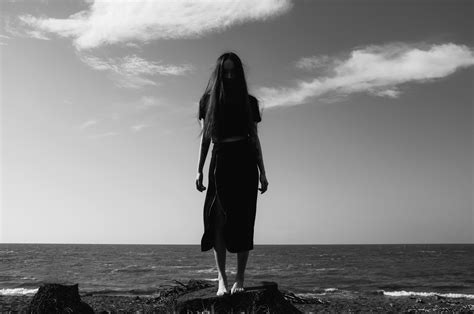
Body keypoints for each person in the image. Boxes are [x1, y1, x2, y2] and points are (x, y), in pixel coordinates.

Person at [195, 52, 268, 296]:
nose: (228, 75)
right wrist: (198, 170)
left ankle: (240, 279)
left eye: (232, 71)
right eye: (224, 71)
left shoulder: (249, 102)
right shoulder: (207, 102)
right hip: (220, 158)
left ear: (238, 73)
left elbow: (255, 138)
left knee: (244, 220)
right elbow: (205, 139)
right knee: (218, 220)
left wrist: (263, 172)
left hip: (245, 160)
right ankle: (222, 280)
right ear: (218, 74)